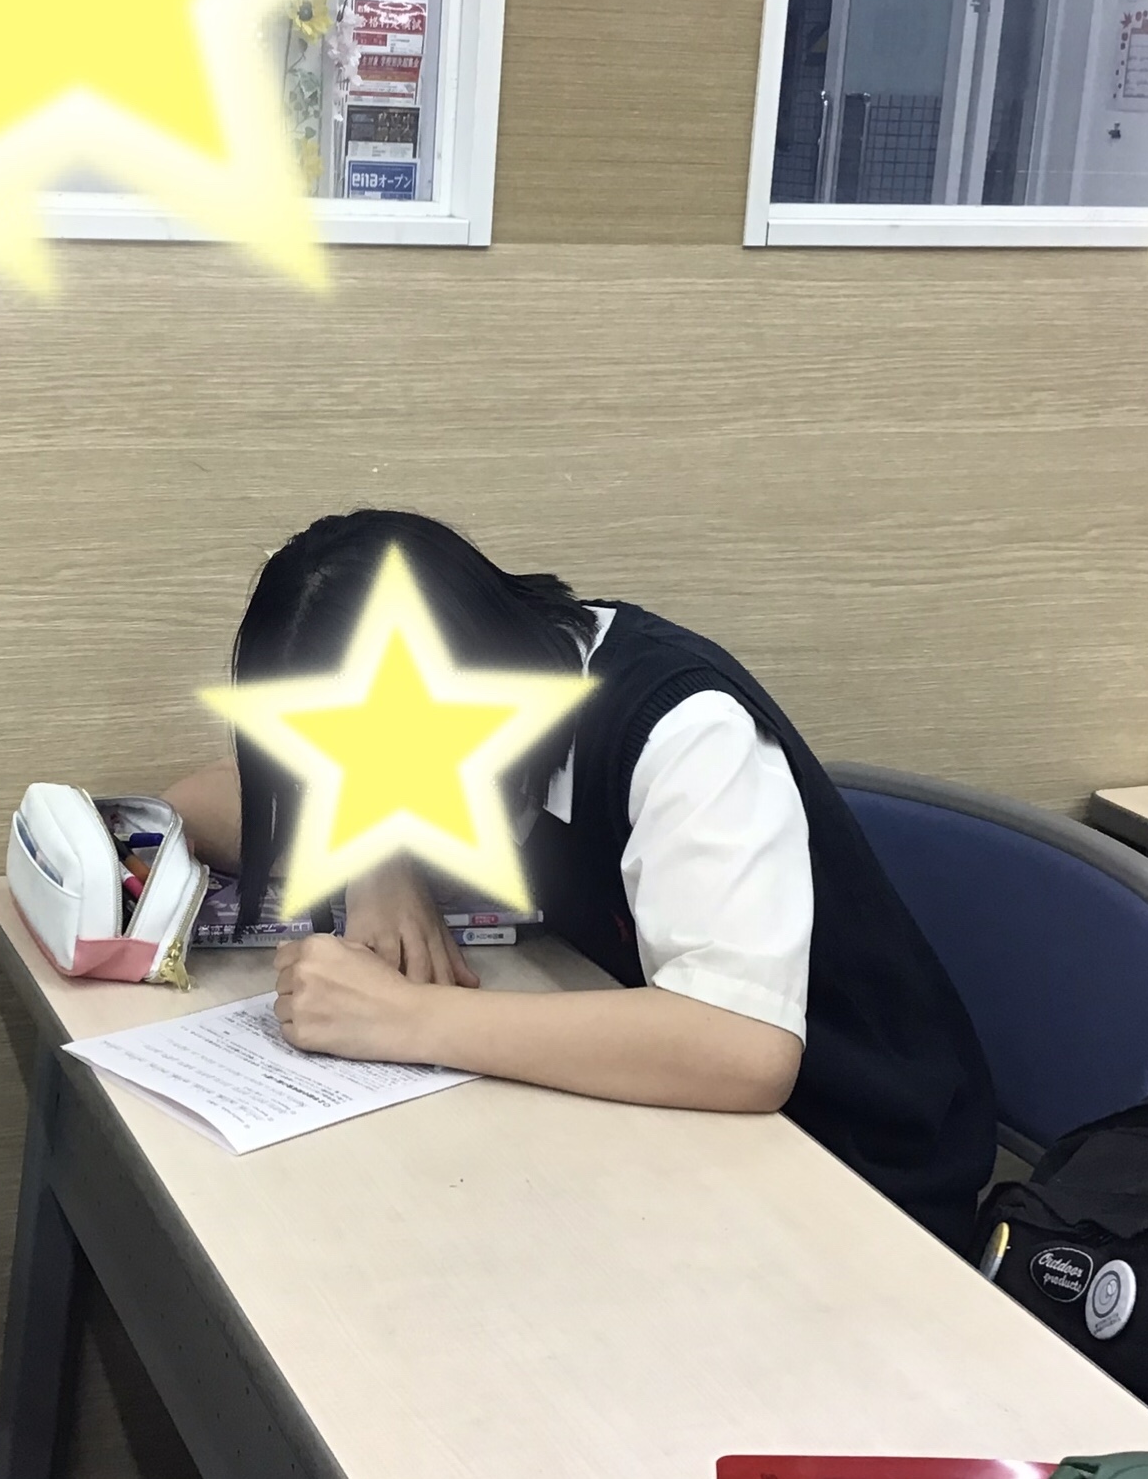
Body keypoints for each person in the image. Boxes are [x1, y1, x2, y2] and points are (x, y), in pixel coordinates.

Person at [164, 509, 997, 1252]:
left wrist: (406, 1017)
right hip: (656, 1125)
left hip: (852, 1167)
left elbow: (746, 1051)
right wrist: (379, 862)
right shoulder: (505, 682)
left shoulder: (684, 731)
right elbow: (195, 806)